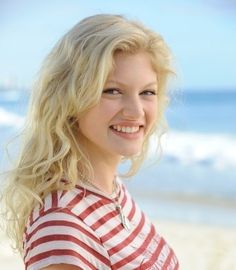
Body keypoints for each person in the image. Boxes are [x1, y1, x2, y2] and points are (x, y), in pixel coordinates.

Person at [1, 14, 179, 269]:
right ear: (70, 99)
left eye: (147, 92)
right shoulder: (63, 227)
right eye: (112, 91)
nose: (136, 111)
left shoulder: (112, 190)